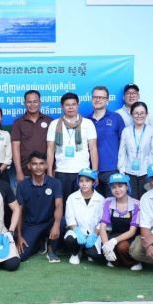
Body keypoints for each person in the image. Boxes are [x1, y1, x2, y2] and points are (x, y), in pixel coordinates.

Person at [46, 92, 99, 248]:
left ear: (78, 105)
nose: (70, 107)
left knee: (81, 208)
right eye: (67, 105)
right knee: (61, 207)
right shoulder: (54, 124)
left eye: (73, 104)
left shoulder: (88, 124)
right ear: (62, 107)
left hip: (83, 173)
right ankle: (63, 243)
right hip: (61, 172)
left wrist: (94, 172)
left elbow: (93, 149)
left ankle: (83, 242)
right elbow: (50, 150)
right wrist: (49, 172)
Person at [15, 151, 63, 263]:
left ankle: (51, 249)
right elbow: (18, 211)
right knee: (21, 256)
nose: (38, 167)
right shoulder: (22, 185)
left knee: (62, 220)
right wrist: (19, 236)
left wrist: (56, 224)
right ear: (28, 166)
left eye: (41, 164)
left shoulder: (55, 182)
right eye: (34, 164)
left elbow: (59, 205)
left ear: (46, 165)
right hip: (32, 225)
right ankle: (39, 242)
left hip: (50, 222)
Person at [87, 86, 125, 198]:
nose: (97, 100)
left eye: (101, 97)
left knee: (112, 204)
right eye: (95, 97)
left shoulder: (116, 118)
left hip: (111, 169)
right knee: (95, 205)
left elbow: (124, 144)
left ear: (107, 100)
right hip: (91, 171)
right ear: (91, 99)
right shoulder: (86, 120)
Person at [99, 173, 142, 270]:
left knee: (122, 247)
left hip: (131, 237)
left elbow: (132, 231)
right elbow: (102, 227)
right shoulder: (107, 202)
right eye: (113, 187)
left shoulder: (136, 204)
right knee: (106, 252)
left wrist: (114, 241)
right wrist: (106, 246)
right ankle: (118, 261)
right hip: (114, 234)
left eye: (120, 186)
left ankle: (133, 263)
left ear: (127, 186)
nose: (117, 189)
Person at [63, 168, 104, 265]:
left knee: (95, 255)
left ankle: (88, 251)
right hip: (77, 232)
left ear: (93, 182)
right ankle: (76, 252)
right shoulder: (72, 198)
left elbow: (102, 221)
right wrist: (77, 231)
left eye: (87, 181)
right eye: (81, 181)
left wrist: (94, 235)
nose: (84, 184)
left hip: (94, 234)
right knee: (70, 239)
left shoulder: (101, 199)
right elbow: (70, 218)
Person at [118, 101, 153, 200]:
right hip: (129, 173)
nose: (139, 116)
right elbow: (122, 153)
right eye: (136, 113)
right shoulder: (126, 131)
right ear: (131, 115)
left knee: (147, 201)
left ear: (146, 114)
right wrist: (122, 170)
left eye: (142, 113)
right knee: (131, 202)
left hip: (146, 173)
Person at [11, 90, 53, 184]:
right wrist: (19, 171)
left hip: (45, 172)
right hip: (25, 172)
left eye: (35, 101)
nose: (32, 104)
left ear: (40, 102)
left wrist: (50, 170)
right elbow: (15, 148)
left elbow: (53, 148)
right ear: (24, 103)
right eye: (29, 102)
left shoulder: (50, 121)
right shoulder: (18, 123)